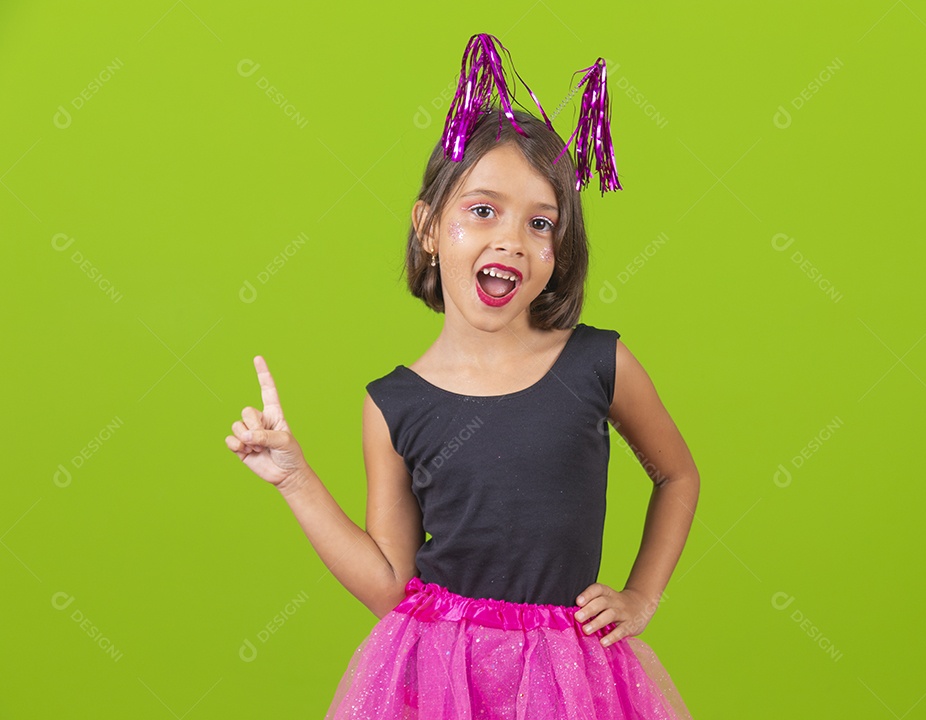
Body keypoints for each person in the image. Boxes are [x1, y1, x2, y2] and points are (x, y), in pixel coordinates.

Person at [225, 34, 699, 719]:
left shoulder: (598, 364)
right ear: (427, 226)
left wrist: (641, 595)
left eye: (541, 223)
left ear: (558, 252)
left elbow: (677, 474)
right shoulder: (395, 404)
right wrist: (294, 477)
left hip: (570, 679)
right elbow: (390, 587)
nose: (510, 239)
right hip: (437, 678)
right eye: (483, 210)